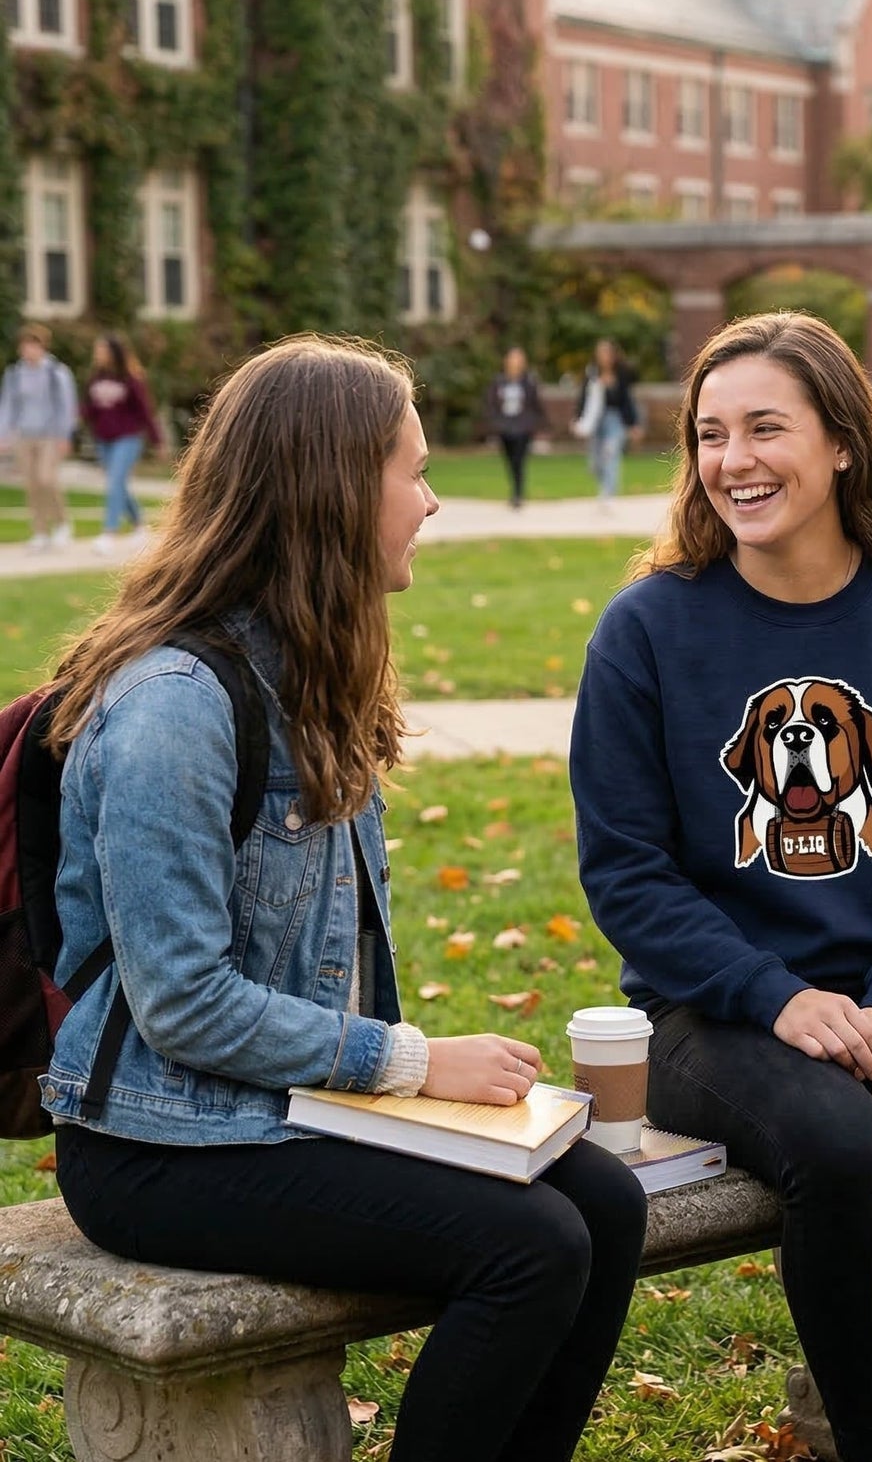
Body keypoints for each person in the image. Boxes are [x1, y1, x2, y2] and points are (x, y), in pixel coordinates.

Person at [43, 334, 647, 1462]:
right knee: (530, 1247)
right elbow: (180, 1005)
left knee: (605, 1206)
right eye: (413, 472)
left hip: (279, 1111)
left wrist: (416, 1100)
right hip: (158, 1146)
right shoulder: (175, 703)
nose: (432, 500)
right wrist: (413, 1066)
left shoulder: (310, 670)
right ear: (330, 489)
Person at [570, 311, 872, 1462]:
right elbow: (626, 872)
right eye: (710, 435)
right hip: (709, 1011)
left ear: (841, 444)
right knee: (841, 1151)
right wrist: (776, 996)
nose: (734, 461)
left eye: (766, 427)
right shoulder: (647, 631)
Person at [80, 333, 163, 554]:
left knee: (115, 481)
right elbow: (91, 408)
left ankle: (109, 533)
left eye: (102, 350)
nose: (97, 354)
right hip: (104, 438)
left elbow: (145, 410)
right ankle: (139, 526)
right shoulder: (96, 378)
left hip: (128, 437)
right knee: (119, 484)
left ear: (113, 353)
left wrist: (157, 440)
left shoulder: (131, 379)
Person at [0, 322, 79, 551]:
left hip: (50, 436)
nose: (29, 351)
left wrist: (65, 436)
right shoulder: (15, 374)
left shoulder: (56, 373)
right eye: (25, 346)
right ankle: (40, 531)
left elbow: (66, 406)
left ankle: (63, 523)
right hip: (24, 435)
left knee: (47, 479)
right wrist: (3, 435)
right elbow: (8, 406)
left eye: (33, 346)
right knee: (32, 485)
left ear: (42, 347)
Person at [573, 338, 640, 503]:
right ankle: (604, 485)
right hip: (595, 420)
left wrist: (633, 424)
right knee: (595, 460)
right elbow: (583, 399)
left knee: (611, 454)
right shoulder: (591, 374)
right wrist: (577, 420)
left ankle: (608, 493)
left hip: (614, 419)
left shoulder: (621, 374)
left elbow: (627, 401)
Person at [485, 345, 548, 509]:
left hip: (523, 428)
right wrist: (496, 422)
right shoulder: (499, 381)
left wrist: (536, 423)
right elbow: (492, 403)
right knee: (510, 460)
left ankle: (517, 493)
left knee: (519, 460)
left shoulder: (528, 382)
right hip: (505, 427)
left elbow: (536, 404)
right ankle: (515, 489)